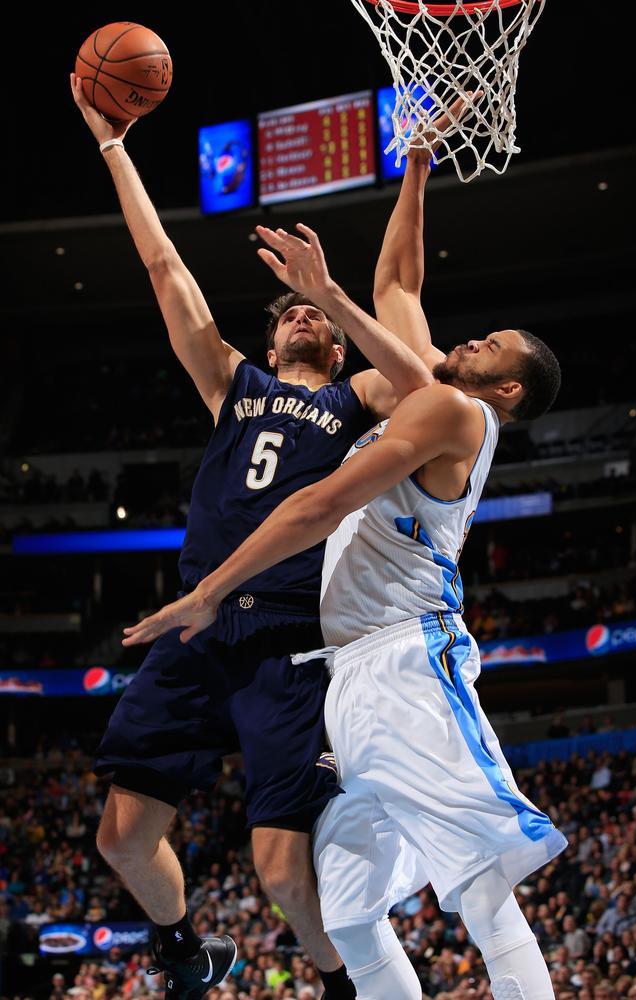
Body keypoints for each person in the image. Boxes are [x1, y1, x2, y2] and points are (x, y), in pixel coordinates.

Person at [123, 160, 567, 998]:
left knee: (478, 884)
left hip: (409, 658)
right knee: (353, 911)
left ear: (506, 386)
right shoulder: (423, 394)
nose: (470, 338)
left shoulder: (454, 410)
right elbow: (399, 277)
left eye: (492, 344)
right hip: (343, 674)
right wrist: (420, 166)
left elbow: (320, 504)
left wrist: (212, 587)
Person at [69, 72, 435, 1000]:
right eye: (290, 315)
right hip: (198, 627)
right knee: (119, 837)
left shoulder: (361, 400)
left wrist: (336, 288)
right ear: (271, 348)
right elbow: (166, 271)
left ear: (339, 345)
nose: (301, 316)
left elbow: (427, 376)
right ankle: (183, 951)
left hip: (292, 642)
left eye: (314, 314)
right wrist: (114, 147)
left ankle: (343, 982)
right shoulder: (233, 386)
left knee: (281, 874)